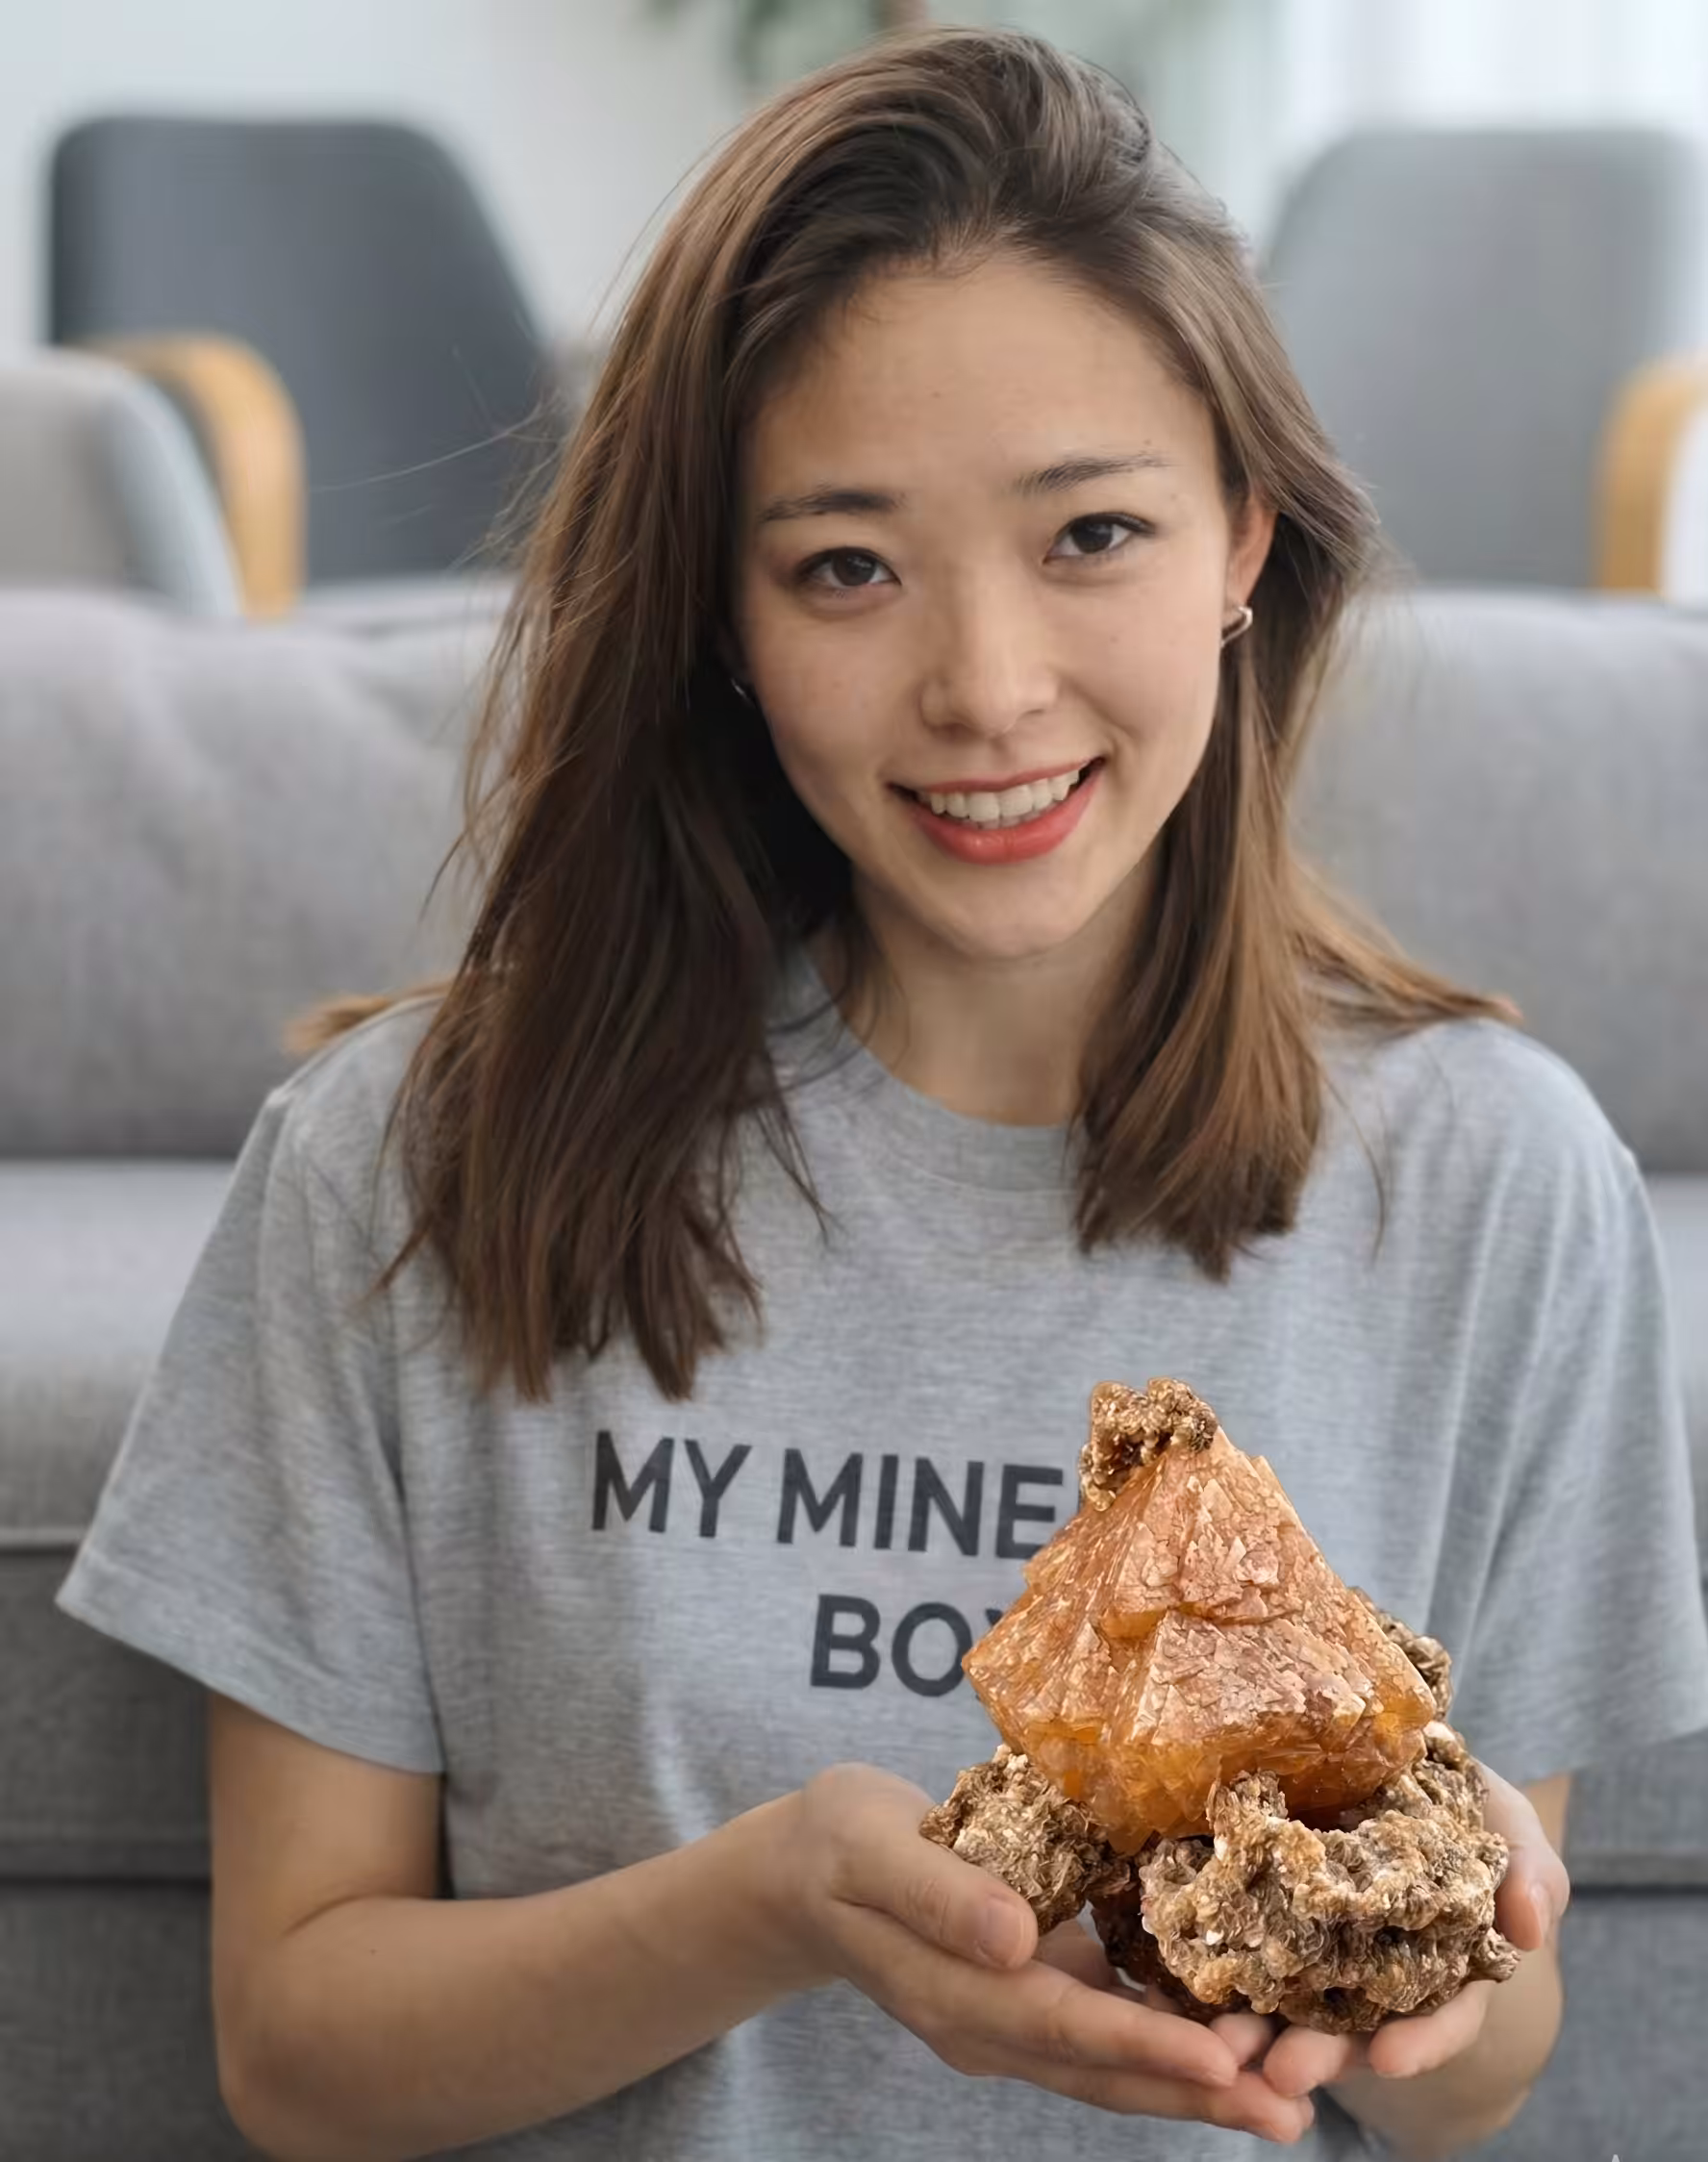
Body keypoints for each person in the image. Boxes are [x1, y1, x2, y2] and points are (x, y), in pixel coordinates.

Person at [55, 24, 1708, 2162]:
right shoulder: (402, 1161)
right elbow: (298, 2048)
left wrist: (1429, 1941)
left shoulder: (1495, 1174)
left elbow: (1484, 2082)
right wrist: (771, 1908)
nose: (987, 685)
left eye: (1092, 532)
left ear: (1244, 543)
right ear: (724, 620)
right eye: (846, 564)